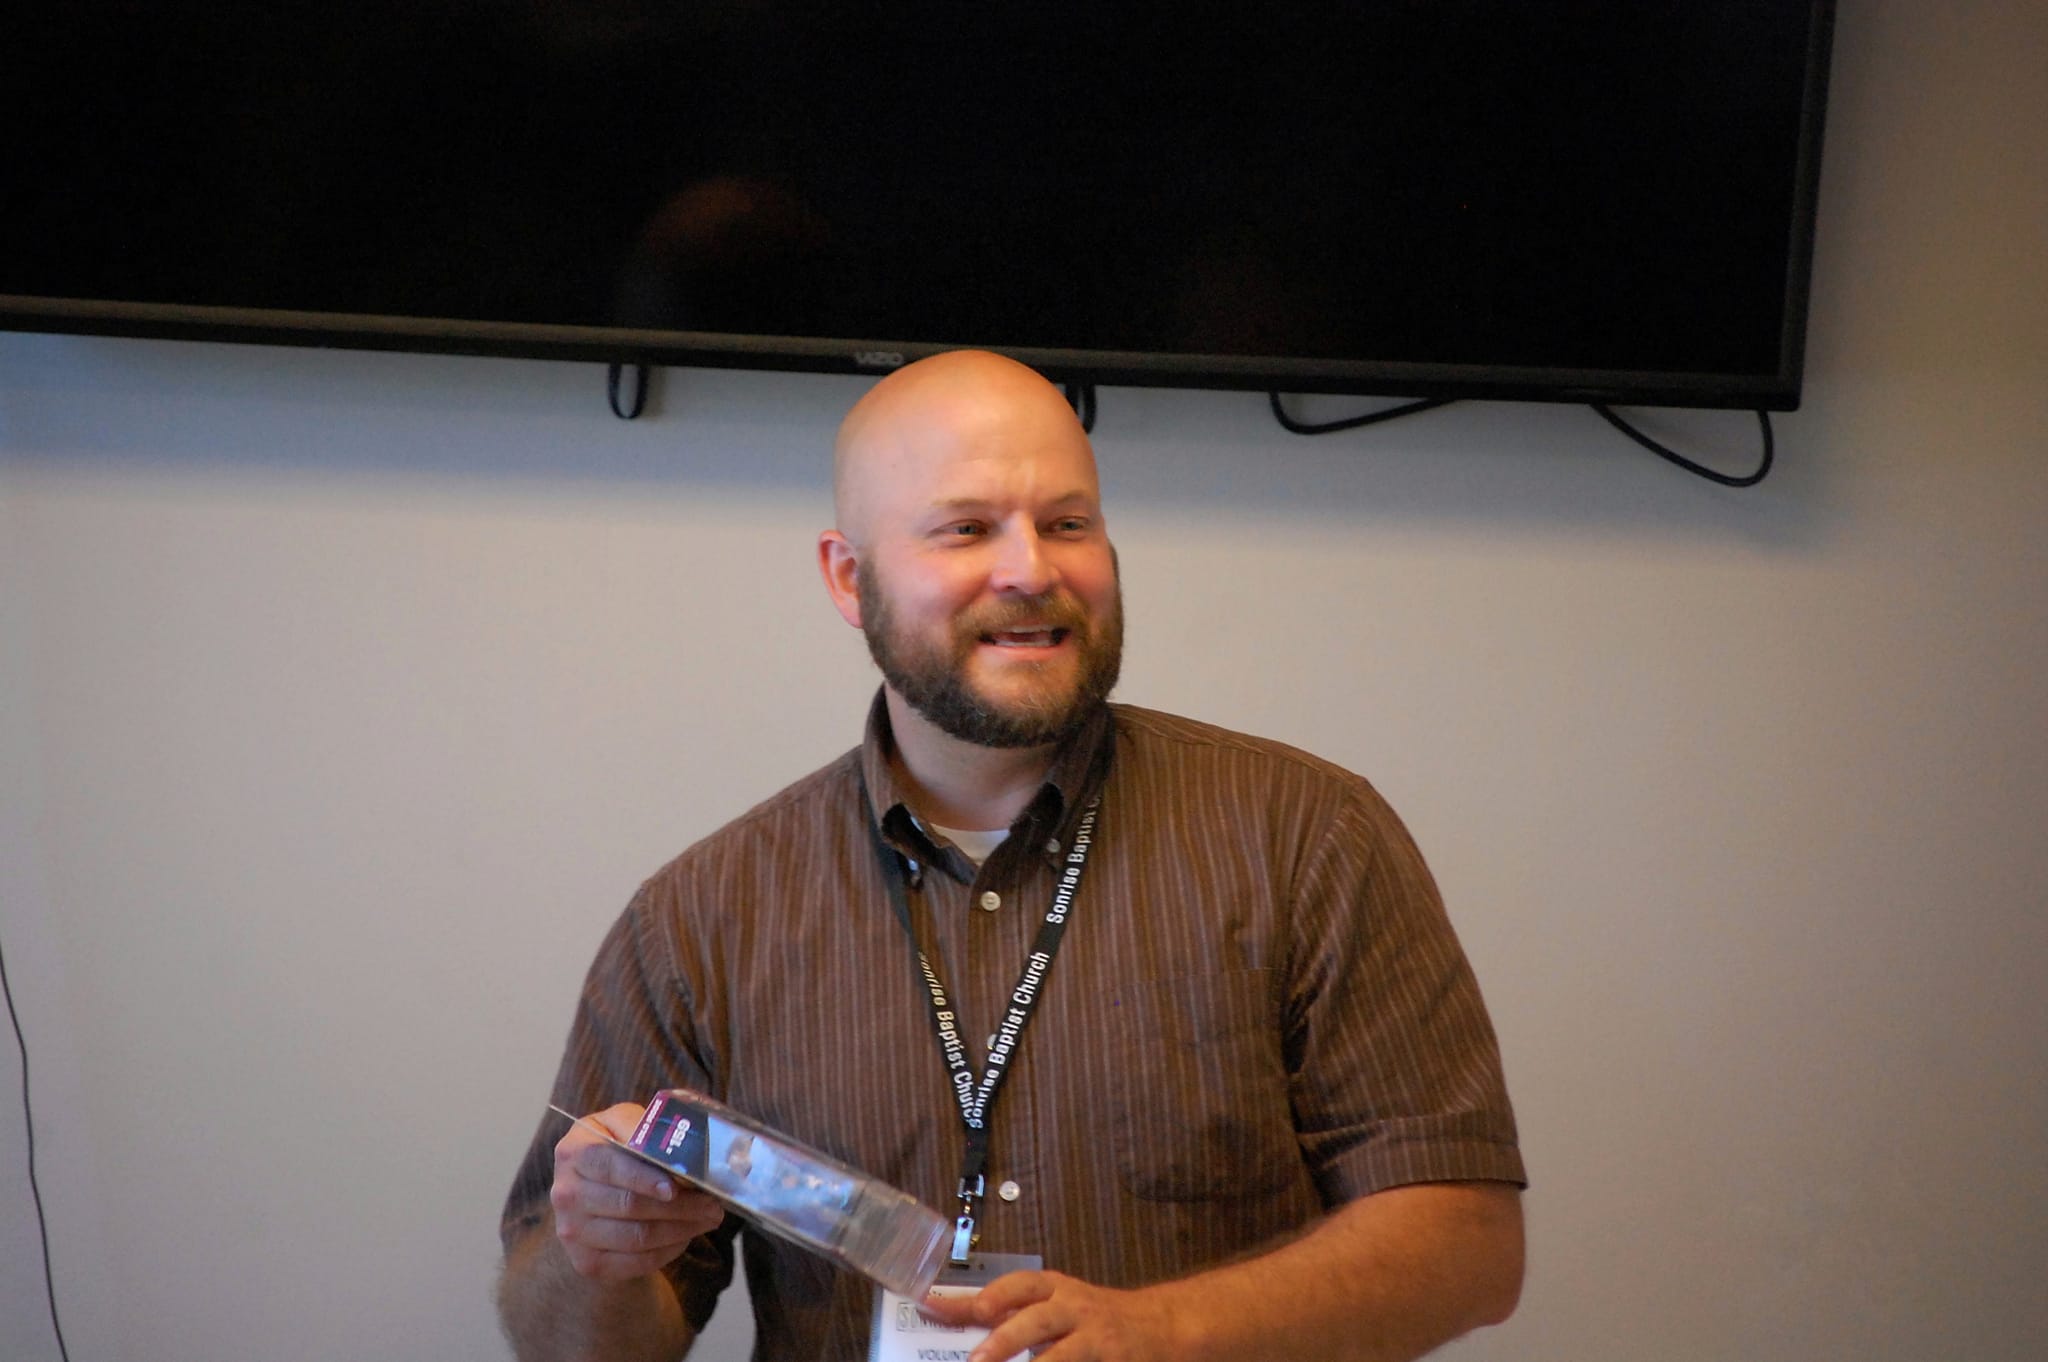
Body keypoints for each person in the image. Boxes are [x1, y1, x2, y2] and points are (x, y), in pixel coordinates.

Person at [496, 350, 1526, 1362]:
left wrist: (1164, 1333)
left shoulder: (1307, 836)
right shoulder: (700, 917)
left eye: (1067, 523)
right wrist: (598, 1257)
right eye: (967, 529)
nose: (1032, 570)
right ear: (850, 578)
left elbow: (1470, 1248)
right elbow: (568, 1347)